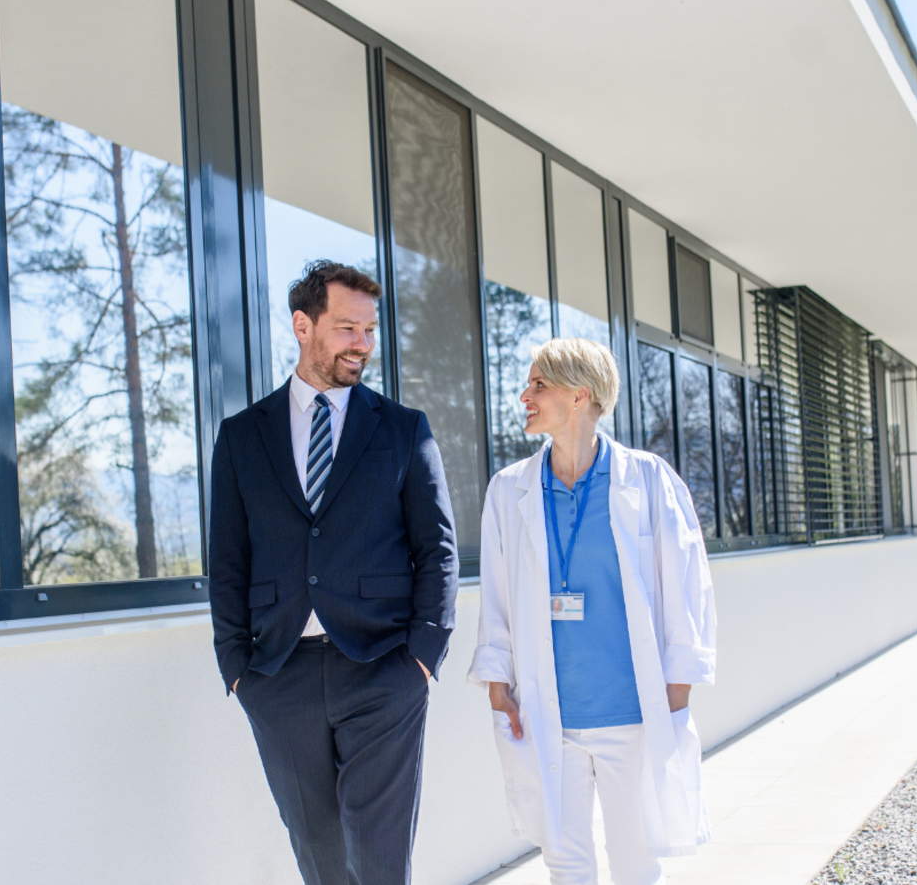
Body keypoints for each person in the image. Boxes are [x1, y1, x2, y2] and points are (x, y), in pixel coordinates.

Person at [210, 260, 459, 885]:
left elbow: (438, 550)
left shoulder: (403, 430)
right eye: (348, 328)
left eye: (370, 331)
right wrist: (237, 667)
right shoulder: (242, 437)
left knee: (377, 859)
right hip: (278, 673)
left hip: (383, 667)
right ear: (303, 325)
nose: (363, 345)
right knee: (318, 856)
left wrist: (423, 656)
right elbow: (228, 561)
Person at [469, 338, 716, 885]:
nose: (523, 396)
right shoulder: (508, 491)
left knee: (634, 862)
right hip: (546, 713)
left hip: (631, 712)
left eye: (539, 385)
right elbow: (497, 598)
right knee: (566, 863)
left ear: (580, 395)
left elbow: (686, 587)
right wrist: (497, 684)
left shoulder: (649, 481)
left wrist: (675, 695)